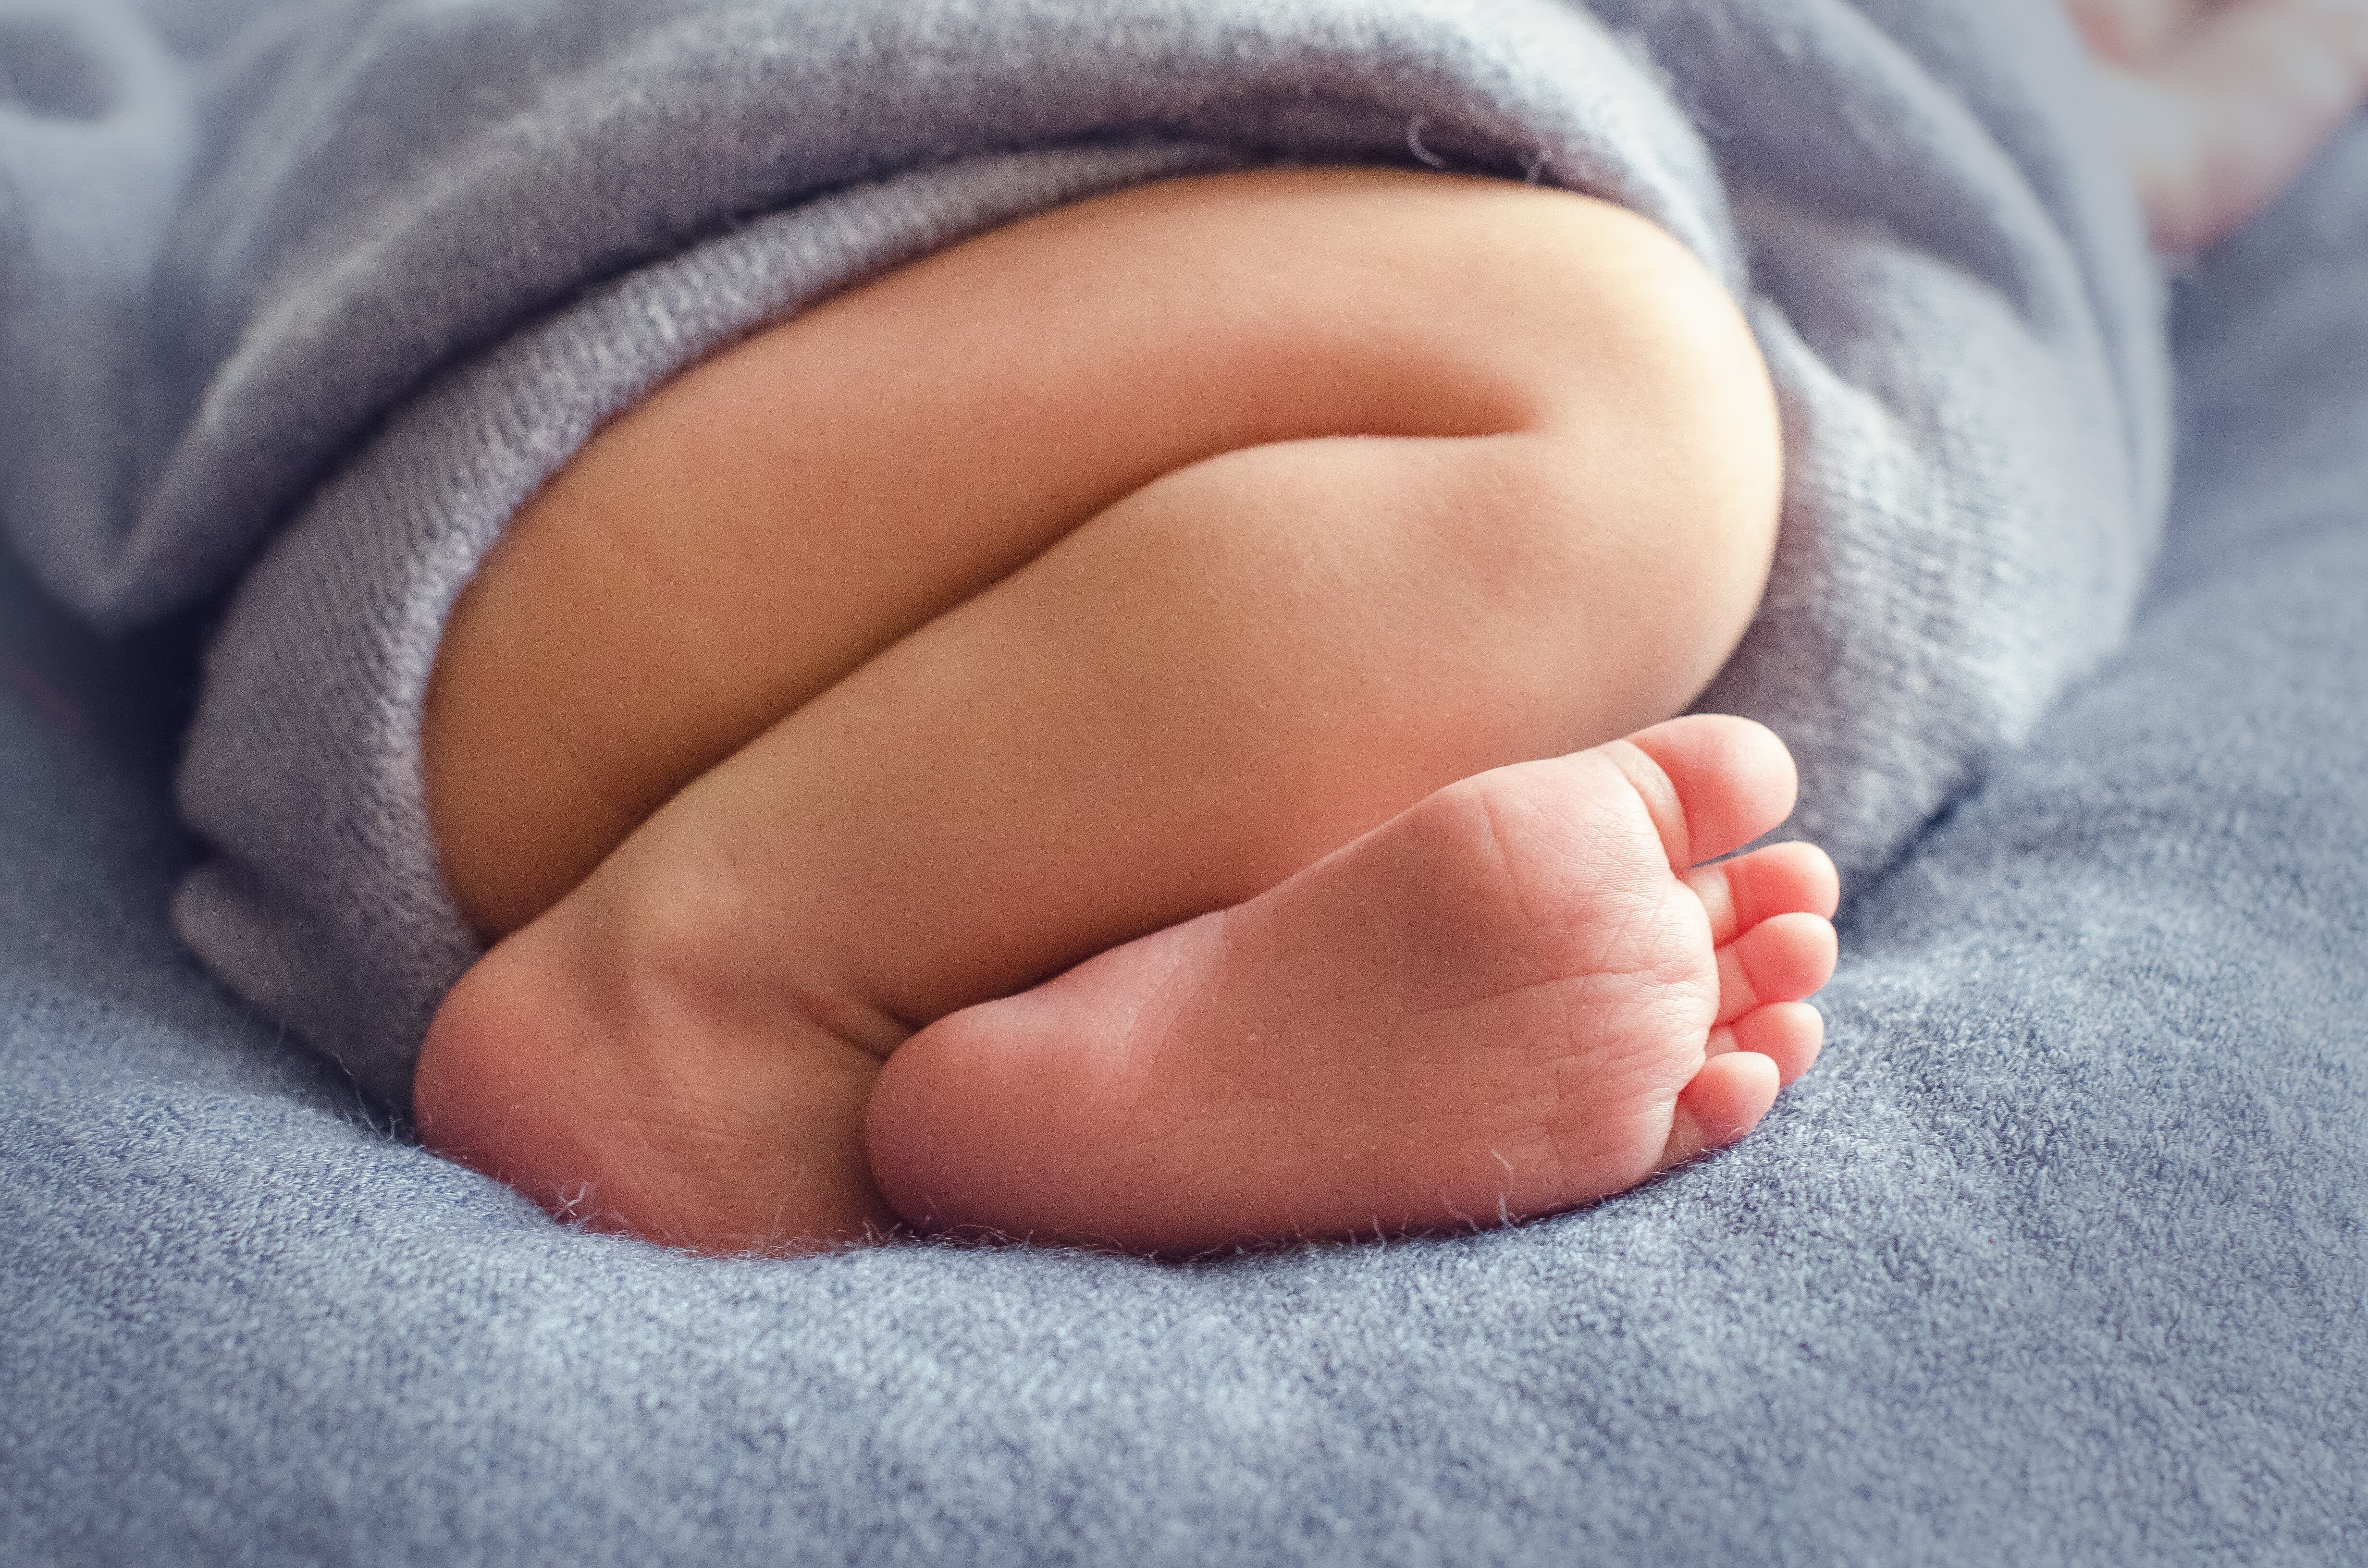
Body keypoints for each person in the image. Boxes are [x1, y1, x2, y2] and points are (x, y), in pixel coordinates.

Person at [409, 0, 2368, 1256]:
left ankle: (1104, 1042)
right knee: (1620, 416)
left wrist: (2057, 166)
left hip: (592, 690)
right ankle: (718, 978)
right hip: (630, 454)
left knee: (1616, 452)